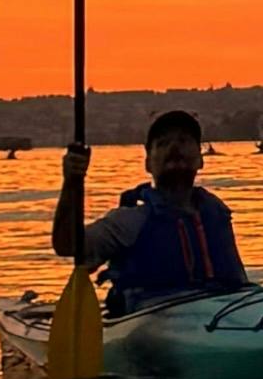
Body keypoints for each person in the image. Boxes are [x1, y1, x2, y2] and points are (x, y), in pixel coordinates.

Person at [56, 107, 248, 311]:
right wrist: (72, 182)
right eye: (163, 143)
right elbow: (68, 246)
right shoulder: (129, 222)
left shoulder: (216, 213)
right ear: (148, 163)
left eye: (184, 141)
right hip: (152, 319)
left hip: (225, 311)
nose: (174, 147)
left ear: (201, 159)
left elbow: (239, 282)